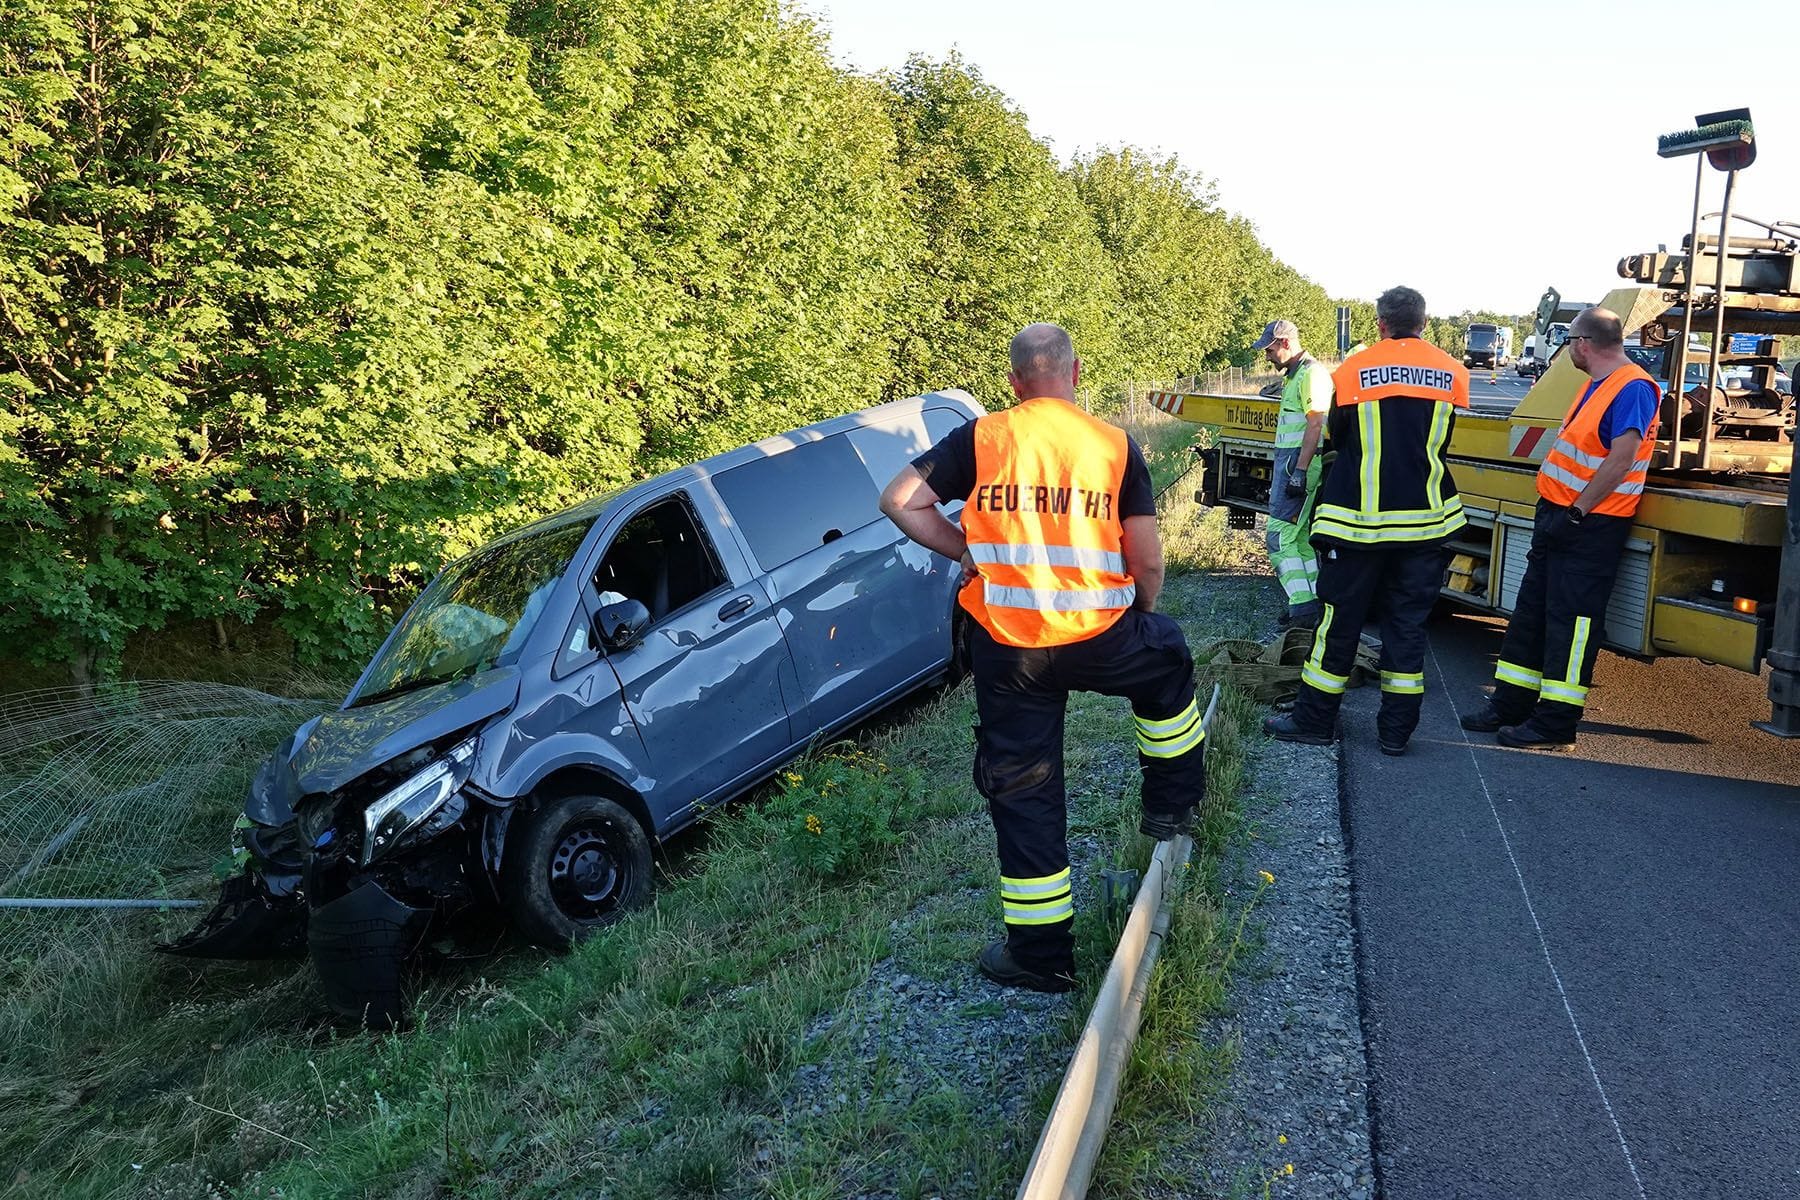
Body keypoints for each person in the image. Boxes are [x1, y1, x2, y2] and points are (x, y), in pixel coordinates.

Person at [879, 323, 1206, 994]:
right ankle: (1170, 807)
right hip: (1099, 634)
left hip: (1008, 647)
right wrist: (1141, 611)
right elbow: (1144, 557)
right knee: (1168, 662)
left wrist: (960, 552)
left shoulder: (982, 439)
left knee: (1024, 789)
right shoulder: (1114, 445)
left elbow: (899, 500)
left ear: (1014, 383)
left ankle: (1041, 957)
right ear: (1076, 372)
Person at [1264, 287, 1469, 756]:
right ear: (1423, 322)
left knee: (1339, 623)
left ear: (1380, 323)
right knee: (1407, 628)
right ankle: (1396, 732)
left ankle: (1314, 721)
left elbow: (1343, 436)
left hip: (1357, 524)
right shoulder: (1453, 372)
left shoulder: (1353, 370)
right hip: (1426, 524)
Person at [1459, 306, 1660, 749]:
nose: (1568, 350)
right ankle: (1510, 704)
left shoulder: (1632, 388)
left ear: (1584, 343)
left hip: (1589, 523)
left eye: (1569, 342)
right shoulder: (1597, 385)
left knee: (1572, 624)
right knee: (1531, 612)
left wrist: (1578, 511)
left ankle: (1554, 724)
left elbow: (1621, 459)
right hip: (1559, 515)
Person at [1250, 318, 1332, 628]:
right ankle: (1310, 604)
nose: (1267, 356)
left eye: (1269, 349)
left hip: (1297, 464)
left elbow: (1315, 423)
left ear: (1285, 343)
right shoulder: (1296, 375)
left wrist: (1299, 472)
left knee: (1278, 538)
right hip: (1293, 462)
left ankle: (1301, 608)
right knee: (1298, 540)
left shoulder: (1311, 374)